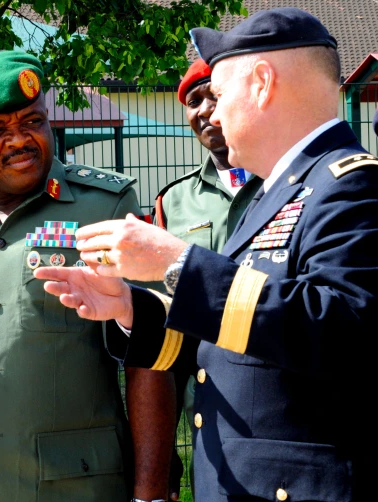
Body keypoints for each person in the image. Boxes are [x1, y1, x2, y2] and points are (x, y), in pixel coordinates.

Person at [36, 8, 375, 501]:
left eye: (218, 93)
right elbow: (229, 343)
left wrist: (177, 264)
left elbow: (346, 334)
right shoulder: (278, 191)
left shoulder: (351, 186)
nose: (211, 113)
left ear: (261, 82)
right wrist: (130, 309)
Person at [0, 50, 176, 502]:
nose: (20, 140)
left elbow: (147, 359)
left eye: (33, 122)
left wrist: (148, 494)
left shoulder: (104, 207)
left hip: (75, 484)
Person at [161, 58, 263, 501]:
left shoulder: (290, 181)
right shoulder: (174, 202)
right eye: (193, 101)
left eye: (214, 96)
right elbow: (166, 324)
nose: (204, 111)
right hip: (207, 400)